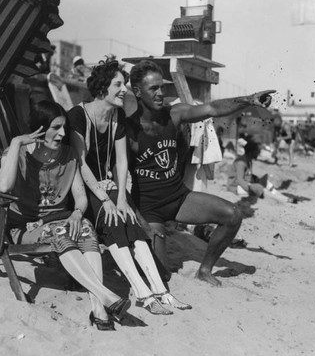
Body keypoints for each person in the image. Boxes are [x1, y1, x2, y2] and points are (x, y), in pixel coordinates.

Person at [126, 60, 275, 287]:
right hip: (149, 210)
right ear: (137, 92)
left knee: (233, 215)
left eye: (162, 87)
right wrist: (141, 222)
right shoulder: (128, 131)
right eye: (153, 88)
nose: (160, 93)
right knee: (161, 276)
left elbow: (212, 108)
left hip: (179, 198)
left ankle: (205, 270)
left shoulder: (174, 114)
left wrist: (248, 100)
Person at [68, 60, 191, 315]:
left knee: (129, 218)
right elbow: (81, 164)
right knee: (114, 222)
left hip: (110, 188)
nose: (124, 89)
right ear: (102, 88)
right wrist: (106, 199)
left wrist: (122, 198)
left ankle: (163, 293)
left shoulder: (117, 117)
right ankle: (144, 294)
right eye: (118, 84)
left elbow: (121, 161)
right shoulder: (78, 116)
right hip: (83, 190)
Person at [0, 100, 130, 331]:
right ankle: (104, 295)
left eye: (64, 127)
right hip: (24, 229)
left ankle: (99, 309)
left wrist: (78, 213)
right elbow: (3, 188)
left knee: (86, 226)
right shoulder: (15, 154)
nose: (63, 133)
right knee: (61, 233)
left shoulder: (68, 156)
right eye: (56, 127)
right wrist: (17, 142)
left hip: (59, 222)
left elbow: (80, 198)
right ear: (40, 129)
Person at [227, 137, 296, 204]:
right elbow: (240, 180)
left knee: (267, 183)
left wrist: (256, 180)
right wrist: (251, 188)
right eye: (257, 151)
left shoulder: (248, 160)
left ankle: (282, 197)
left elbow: (247, 174)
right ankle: (284, 200)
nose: (258, 153)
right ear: (251, 152)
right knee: (260, 188)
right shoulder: (241, 162)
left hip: (245, 184)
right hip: (235, 187)